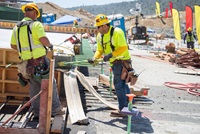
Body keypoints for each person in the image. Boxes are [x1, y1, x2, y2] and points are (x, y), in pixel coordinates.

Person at [10, 3, 64, 119]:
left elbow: (13, 45)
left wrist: (25, 50)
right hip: (40, 62)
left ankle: (37, 112)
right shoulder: (36, 25)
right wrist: (49, 46)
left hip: (27, 64)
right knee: (50, 84)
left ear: (25, 12)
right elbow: (43, 39)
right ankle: (55, 109)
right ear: (35, 13)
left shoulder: (16, 27)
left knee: (34, 87)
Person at [90, 14, 134, 117]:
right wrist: (94, 58)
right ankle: (128, 103)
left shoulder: (117, 32)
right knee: (122, 83)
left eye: (98, 27)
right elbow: (100, 50)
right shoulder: (99, 36)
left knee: (118, 85)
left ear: (105, 25)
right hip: (114, 63)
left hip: (122, 61)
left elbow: (123, 48)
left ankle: (123, 109)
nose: (97, 29)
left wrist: (110, 55)